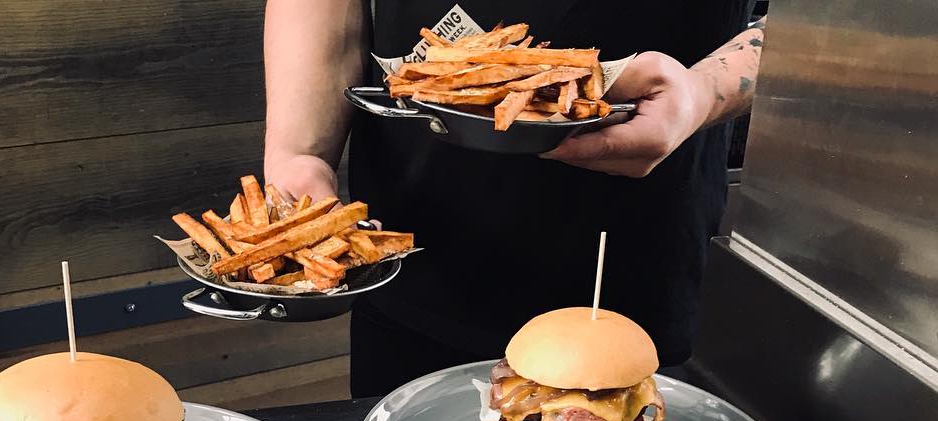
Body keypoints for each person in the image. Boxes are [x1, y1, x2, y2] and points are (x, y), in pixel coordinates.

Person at [264, 2, 765, 396]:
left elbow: (822, 24)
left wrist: (703, 91)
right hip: (412, 250)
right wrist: (298, 154)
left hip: (638, 253)